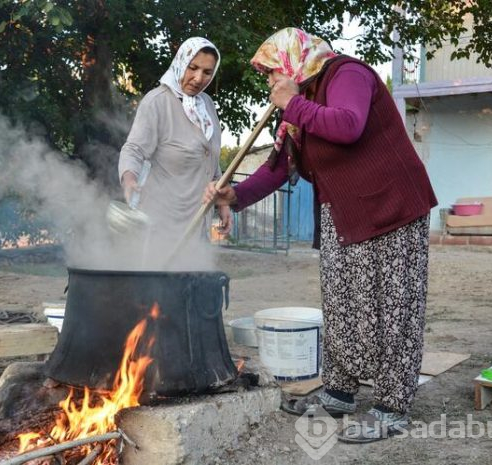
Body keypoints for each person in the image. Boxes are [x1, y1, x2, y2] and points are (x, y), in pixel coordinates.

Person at [205, 27, 438, 443]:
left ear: (295, 59)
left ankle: (391, 406)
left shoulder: (346, 75)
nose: (270, 81)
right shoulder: (301, 102)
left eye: (273, 71)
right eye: (268, 75)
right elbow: (279, 167)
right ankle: (339, 394)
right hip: (343, 212)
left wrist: (292, 102)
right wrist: (234, 195)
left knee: (394, 307)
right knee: (342, 305)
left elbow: (348, 126)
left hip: (392, 208)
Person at [118, 37, 231, 245]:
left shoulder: (207, 106)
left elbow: (211, 161)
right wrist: (129, 179)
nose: (198, 78)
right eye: (193, 67)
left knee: (196, 277)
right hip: (162, 227)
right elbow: (133, 149)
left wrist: (222, 203)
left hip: (199, 225)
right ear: (180, 62)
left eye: (207, 72)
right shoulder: (157, 102)